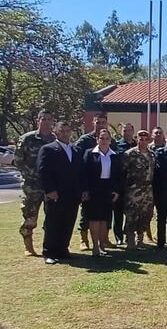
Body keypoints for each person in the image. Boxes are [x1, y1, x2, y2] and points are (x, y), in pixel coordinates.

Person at [37, 121, 83, 265]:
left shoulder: (75, 150)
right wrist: (50, 190)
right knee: (53, 223)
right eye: (62, 131)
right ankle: (48, 252)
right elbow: (43, 171)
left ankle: (63, 249)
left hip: (72, 194)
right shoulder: (48, 149)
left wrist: (82, 191)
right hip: (55, 194)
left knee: (68, 222)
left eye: (67, 131)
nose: (65, 133)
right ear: (55, 132)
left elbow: (79, 173)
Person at [74, 113, 117, 250]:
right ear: (94, 123)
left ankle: (104, 240)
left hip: (106, 188)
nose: (100, 124)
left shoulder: (113, 144)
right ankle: (84, 239)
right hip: (92, 186)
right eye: (98, 122)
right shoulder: (84, 140)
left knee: (105, 216)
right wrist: (84, 188)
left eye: (103, 122)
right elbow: (81, 165)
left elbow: (115, 168)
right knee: (87, 214)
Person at [17, 109, 55, 256]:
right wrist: (32, 176)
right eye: (43, 119)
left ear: (52, 122)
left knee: (51, 216)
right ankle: (28, 246)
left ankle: (49, 246)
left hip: (50, 186)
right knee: (30, 215)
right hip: (32, 186)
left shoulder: (54, 139)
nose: (46, 122)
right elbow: (19, 161)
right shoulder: (27, 138)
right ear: (38, 120)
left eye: (48, 119)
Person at [82, 129, 123, 257]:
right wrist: (85, 190)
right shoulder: (89, 154)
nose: (104, 141)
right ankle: (94, 246)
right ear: (97, 140)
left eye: (106, 139)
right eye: (102, 138)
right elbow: (84, 174)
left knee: (104, 219)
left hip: (108, 190)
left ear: (110, 141)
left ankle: (102, 245)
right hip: (93, 190)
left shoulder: (114, 155)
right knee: (94, 219)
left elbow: (118, 176)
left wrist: (116, 191)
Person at [122, 129, 155, 249]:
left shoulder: (152, 154)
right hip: (134, 190)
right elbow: (122, 171)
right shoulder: (129, 154)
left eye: (146, 139)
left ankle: (140, 239)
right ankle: (129, 239)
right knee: (131, 215)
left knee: (145, 214)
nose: (144, 142)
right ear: (137, 139)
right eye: (141, 139)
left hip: (147, 189)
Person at [112, 123, 136, 245]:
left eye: (129, 130)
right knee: (118, 212)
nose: (127, 132)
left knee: (131, 212)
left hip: (134, 184)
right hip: (121, 182)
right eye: (125, 130)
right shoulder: (116, 145)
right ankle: (118, 236)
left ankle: (129, 235)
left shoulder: (137, 145)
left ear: (133, 131)